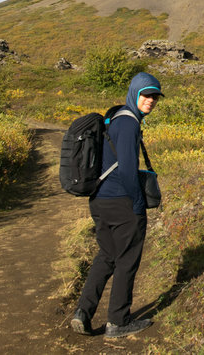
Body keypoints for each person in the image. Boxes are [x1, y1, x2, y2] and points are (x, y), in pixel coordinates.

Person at [71, 72, 162, 338]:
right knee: (127, 260)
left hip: (99, 200)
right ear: (134, 92)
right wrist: (137, 204)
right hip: (122, 203)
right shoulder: (130, 123)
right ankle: (118, 322)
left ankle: (83, 314)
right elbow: (126, 170)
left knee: (107, 256)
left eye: (155, 96)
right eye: (146, 94)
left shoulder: (115, 117)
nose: (151, 100)